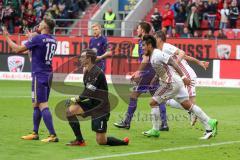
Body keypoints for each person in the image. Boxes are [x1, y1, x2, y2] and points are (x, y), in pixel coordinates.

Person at [141, 35, 218, 139]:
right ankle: (210, 121)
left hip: (171, 83)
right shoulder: (154, 55)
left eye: (144, 45)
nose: (142, 47)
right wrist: (155, 78)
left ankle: (155, 130)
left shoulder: (157, 54)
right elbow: (163, 68)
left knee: (153, 102)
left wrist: (183, 76)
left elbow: (173, 63)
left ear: (149, 45)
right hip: (175, 82)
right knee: (188, 105)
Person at [2, 18, 59, 142]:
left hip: (39, 75)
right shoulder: (53, 40)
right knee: (36, 104)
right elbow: (33, 57)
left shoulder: (38, 39)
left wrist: (6, 37)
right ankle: (35, 132)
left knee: (42, 104)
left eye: (42, 22)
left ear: (45, 26)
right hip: (48, 74)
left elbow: (16, 49)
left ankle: (53, 135)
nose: (40, 23)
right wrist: (31, 41)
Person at [65, 49, 129, 146]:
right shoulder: (86, 71)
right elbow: (87, 90)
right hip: (92, 103)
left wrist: (76, 99)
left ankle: (123, 142)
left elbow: (89, 91)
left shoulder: (97, 73)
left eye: (82, 57)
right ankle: (80, 141)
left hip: (101, 107)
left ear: (89, 59)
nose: (80, 59)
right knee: (70, 111)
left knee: (101, 141)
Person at [114, 22, 169, 131]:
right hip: (154, 72)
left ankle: (126, 122)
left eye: (138, 28)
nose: (137, 30)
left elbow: (145, 59)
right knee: (158, 98)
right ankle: (164, 124)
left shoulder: (143, 42)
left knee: (133, 96)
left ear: (143, 30)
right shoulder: (151, 41)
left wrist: (138, 72)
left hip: (147, 72)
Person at [154, 30, 210, 126]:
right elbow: (185, 56)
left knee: (189, 103)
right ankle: (194, 115)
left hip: (186, 75)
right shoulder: (160, 50)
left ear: (159, 39)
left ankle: (207, 126)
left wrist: (176, 63)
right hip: (180, 77)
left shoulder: (166, 46)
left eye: (154, 38)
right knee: (174, 101)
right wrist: (199, 62)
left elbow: (182, 53)